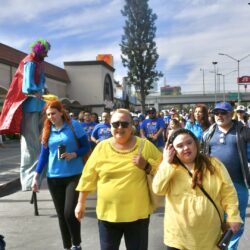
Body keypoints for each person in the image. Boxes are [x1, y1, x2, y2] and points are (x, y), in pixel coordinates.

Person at [75, 108, 162, 250]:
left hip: (137, 216)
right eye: (116, 124)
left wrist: (146, 165)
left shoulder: (144, 146)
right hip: (107, 216)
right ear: (110, 126)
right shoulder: (102, 147)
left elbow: (164, 168)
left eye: (124, 124)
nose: (120, 128)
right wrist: (81, 203)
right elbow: (88, 176)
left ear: (131, 126)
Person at [152, 128, 242, 250]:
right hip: (178, 239)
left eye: (189, 143)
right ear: (172, 150)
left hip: (210, 238)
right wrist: (166, 164)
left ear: (196, 143)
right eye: (179, 146)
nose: (186, 148)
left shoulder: (214, 164)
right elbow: (158, 189)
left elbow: (228, 192)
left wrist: (233, 216)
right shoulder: (169, 168)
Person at [32, 100, 90, 250]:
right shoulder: (47, 130)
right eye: (48, 114)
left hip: (73, 175)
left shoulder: (74, 125)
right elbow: (44, 156)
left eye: (53, 113)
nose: (51, 117)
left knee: (69, 213)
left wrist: (74, 154)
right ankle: (67, 246)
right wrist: (36, 176)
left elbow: (86, 147)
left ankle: (77, 243)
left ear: (61, 112)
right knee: (61, 215)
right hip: (54, 178)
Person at [0, 39, 50, 191]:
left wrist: (44, 92)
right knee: (30, 144)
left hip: (39, 106)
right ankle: (29, 182)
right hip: (30, 107)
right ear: (38, 50)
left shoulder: (39, 64)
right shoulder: (30, 62)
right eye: (45, 51)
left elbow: (40, 84)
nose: (46, 54)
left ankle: (40, 176)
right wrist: (36, 92)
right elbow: (27, 85)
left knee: (42, 141)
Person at [202, 101, 250, 250]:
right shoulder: (208, 134)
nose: (219, 116)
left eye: (223, 113)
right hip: (215, 184)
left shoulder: (243, 131)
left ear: (231, 114)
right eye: (216, 113)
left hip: (238, 184)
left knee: (236, 221)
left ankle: (230, 248)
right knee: (215, 219)